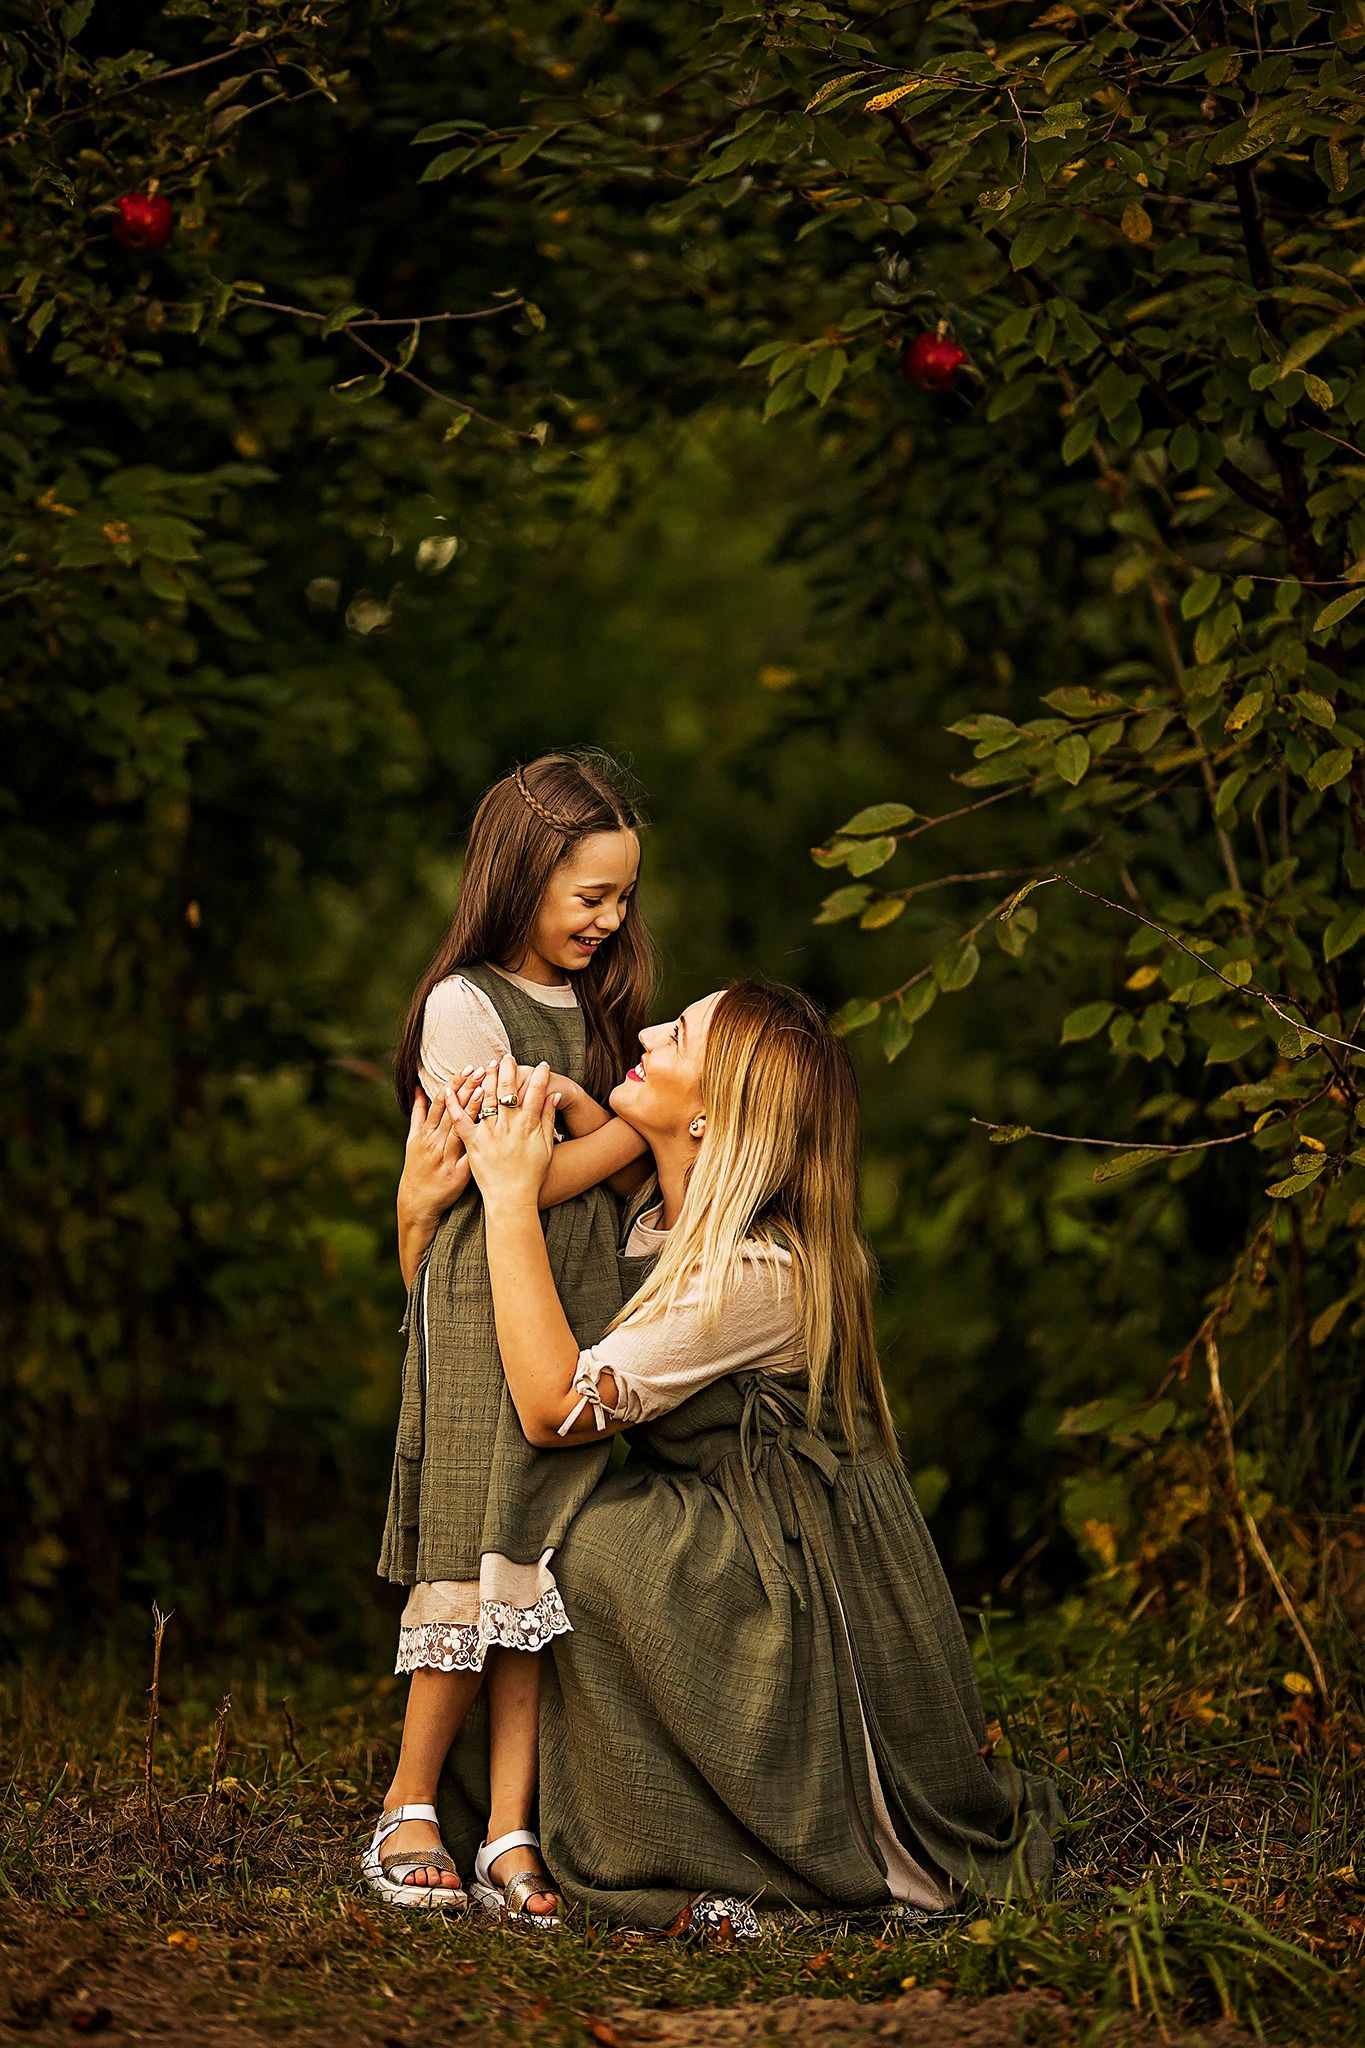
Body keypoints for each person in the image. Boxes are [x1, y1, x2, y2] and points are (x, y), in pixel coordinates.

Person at [446, 984, 1063, 1931]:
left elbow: (548, 1409)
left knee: (599, 1550)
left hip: (800, 1561)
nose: (647, 1032)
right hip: (731, 1516)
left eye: (679, 1034)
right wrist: (579, 1112)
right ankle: (562, 1809)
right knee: (587, 1536)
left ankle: (743, 1844)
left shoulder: (752, 1271)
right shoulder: (672, 1212)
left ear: (710, 1114)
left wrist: (507, 1197)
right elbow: (634, 1200)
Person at [363, 754, 656, 1920]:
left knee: (534, 1556)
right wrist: (631, 1126)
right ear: (521, 873)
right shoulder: (463, 1004)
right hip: (489, 1303)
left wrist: (608, 1116)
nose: (611, 918)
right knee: (471, 1545)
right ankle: (406, 1801)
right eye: (589, 895)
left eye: (624, 896)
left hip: (568, 1307)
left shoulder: (591, 1007)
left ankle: (509, 1827)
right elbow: (512, 1182)